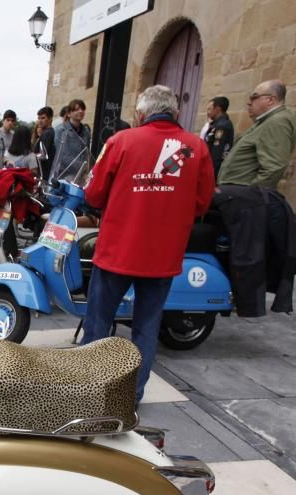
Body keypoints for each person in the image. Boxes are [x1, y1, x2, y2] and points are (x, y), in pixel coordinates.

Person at [81, 85, 215, 403]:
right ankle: (132, 394)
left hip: (118, 249)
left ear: (140, 114)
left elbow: (94, 193)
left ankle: (86, 390)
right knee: (146, 327)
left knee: (98, 322)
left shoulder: (121, 142)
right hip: (163, 254)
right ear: (176, 113)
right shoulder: (196, 147)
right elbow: (201, 202)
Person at [218, 80, 296, 190]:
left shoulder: (277, 122)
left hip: (242, 197)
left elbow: (273, 168)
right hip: (234, 193)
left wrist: (250, 194)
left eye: (254, 97)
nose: (249, 103)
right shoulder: (266, 121)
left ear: (269, 100)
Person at [52, 98, 92, 182]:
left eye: (82, 109)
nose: (81, 111)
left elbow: (86, 153)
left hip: (79, 177)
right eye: (76, 109)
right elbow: (62, 155)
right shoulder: (61, 130)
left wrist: (87, 170)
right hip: (63, 175)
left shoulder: (86, 132)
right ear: (69, 114)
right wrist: (83, 167)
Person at [201, 97, 234, 178]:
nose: (208, 112)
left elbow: (216, 154)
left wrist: (209, 174)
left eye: (210, 109)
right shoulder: (215, 125)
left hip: (213, 170)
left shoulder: (221, 126)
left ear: (218, 109)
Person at [33, 106, 56, 177]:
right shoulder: (47, 132)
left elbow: (43, 155)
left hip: (43, 173)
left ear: (50, 119)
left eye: (43, 118)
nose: (40, 120)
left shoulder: (48, 133)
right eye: (39, 118)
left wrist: (31, 156)